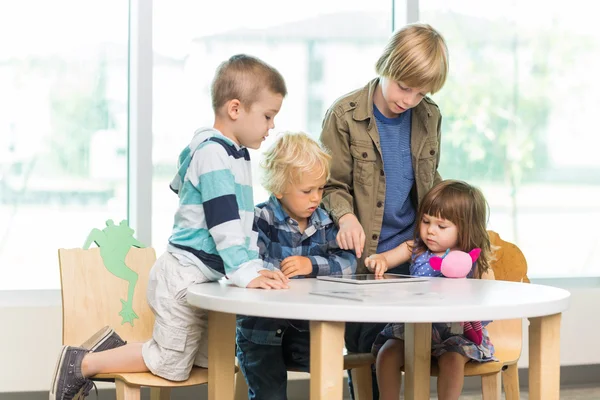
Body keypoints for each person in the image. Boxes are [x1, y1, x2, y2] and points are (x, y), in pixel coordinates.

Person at [49, 54, 290, 400]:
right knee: (170, 363)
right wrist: (245, 270)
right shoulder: (213, 154)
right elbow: (223, 222)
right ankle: (81, 362)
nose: (271, 127)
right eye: (268, 116)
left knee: (214, 359)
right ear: (235, 109)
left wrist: (251, 265)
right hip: (182, 275)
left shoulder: (232, 154)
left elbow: (196, 195)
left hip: (203, 276)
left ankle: (107, 348)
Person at [319, 23, 450, 398]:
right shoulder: (344, 115)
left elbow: (430, 183)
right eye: (403, 87)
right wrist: (344, 216)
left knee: (427, 349)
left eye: (420, 92)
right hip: (365, 263)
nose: (409, 100)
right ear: (386, 64)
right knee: (373, 355)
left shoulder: (429, 116)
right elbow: (328, 184)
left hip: (414, 258)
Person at [236, 132, 357, 399]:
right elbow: (247, 261)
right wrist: (275, 270)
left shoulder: (325, 222)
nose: (316, 198)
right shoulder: (260, 219)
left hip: (307, 329)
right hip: (260, 333)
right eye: (307, 191)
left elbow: (349, 264)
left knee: (329, 381)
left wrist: (311, 265)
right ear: (279, 188)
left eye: (320, 188)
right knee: (270, 394)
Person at [366, 180, 496, 400]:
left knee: (452, 362)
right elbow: (385, 259)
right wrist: (378, 261)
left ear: (466, 228)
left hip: (456, 334)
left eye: (441, 226)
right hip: (413, 329)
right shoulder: (416, 249)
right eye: (426, 221)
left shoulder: (472, 260)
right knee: (387, 354)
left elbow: (490, 291)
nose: (430, 232)